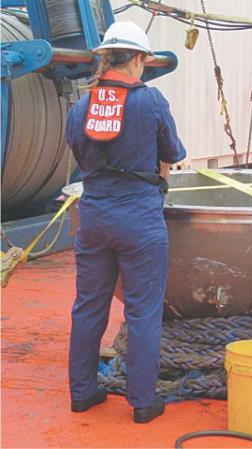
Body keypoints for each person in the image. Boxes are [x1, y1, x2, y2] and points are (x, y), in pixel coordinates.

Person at [66, 21, 186, 423]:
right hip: (139, 218)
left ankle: (82, 393)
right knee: (142, 312)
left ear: (104, 58)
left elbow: (80, 154)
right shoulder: (150, 101)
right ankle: (141, 402)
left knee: (88, 307)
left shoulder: (81, 107)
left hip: (94, 216)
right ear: (138, 58)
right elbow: (173, 151)